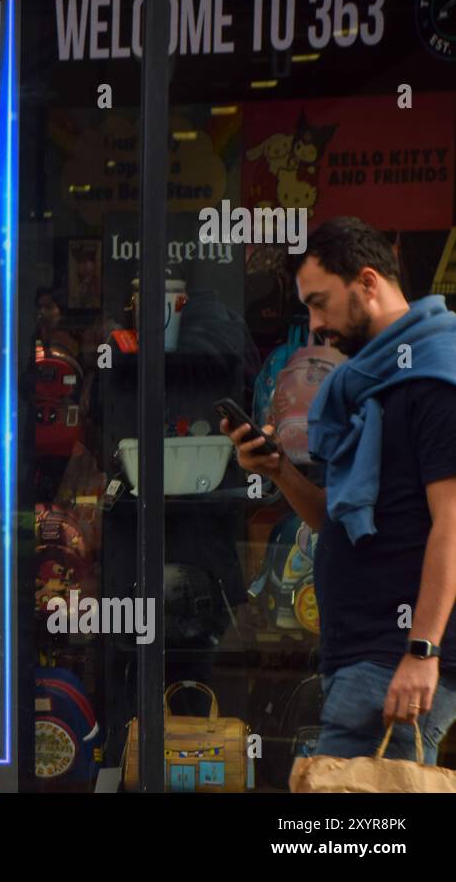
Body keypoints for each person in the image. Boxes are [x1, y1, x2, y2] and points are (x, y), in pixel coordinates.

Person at [223, 217, 456, 766]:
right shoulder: (364, 385)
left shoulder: (435, 379)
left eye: (321, 302)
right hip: (358, 653)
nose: (315, 323)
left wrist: (423, 650)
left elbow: (452, 522)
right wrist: (280, 469)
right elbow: (339, 519)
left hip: (395, 656)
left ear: (368, 282)